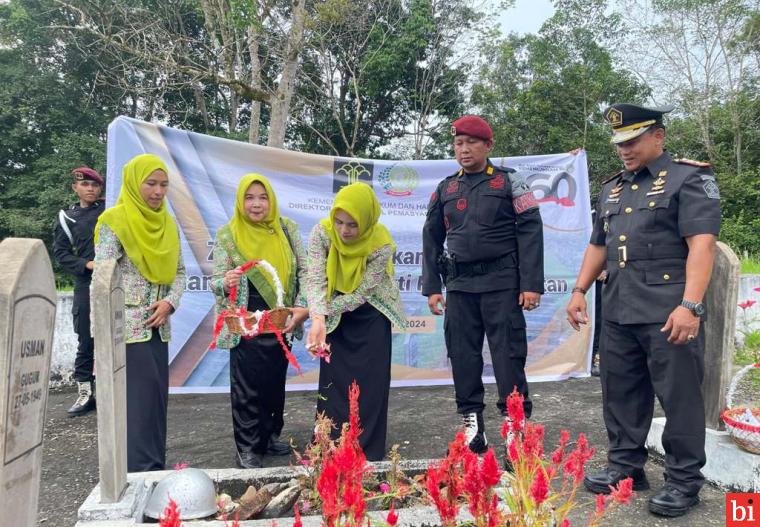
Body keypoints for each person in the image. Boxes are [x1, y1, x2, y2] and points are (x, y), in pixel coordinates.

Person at [565, 103, 720, 517]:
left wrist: (690, 305)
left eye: (632, 141)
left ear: (658, 136)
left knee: (679, 398)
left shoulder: (690, 179)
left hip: (668, 313)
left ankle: (684, 481)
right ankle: (626, 467)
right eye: (619, 143)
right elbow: (599, 244)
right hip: (618, 308)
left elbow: (701, 246)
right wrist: (580, 289)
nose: (624, 150)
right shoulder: (613, 187)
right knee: (621, 394)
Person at [421, 115, 544, 454]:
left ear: (488, 146)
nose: (464, 149)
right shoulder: (446, 188)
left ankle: (514, 428)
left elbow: (531, 231)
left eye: (471, 143)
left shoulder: (510, 183)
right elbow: (431, 237)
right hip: (460, 286)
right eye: (458, 143)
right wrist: (432, 287)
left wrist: (530, 284)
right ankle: (473, 426)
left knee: (508, 356)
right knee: (462, 356)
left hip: (502, 284)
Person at [93, 154, 186, 472]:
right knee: (136, 404)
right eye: (151, 183)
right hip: (127, 331)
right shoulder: (114, 221)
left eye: (164, 185)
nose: (158, 191)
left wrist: (170, 302)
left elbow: (181, 273)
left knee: (156, 402)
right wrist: (100, 335)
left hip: (159, 329)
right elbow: (103, 278)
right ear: (134, 183)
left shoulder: (168, 224)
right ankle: (136, 472)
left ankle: (153, 466)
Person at [211, 174, 309, 469]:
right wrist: (225, 280)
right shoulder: (228, 235)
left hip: (280, 320)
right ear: (241, 201)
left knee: (273, 384)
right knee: (247, 386)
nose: (256, 204)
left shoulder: (287, 229)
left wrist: (302, 306)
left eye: (263, 197)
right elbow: (215, 281)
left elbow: (305, 271)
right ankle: (248, 448)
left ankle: (268, 437)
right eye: (249, 197)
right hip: (246, 321)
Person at [305, 182, 405, 461]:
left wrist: (324, 312)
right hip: (333, 309)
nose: (344, 230)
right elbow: (314, 278)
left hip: (371, 311)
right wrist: (317, 318)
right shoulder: (321, 233)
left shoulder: (381, 242)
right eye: (339, 221)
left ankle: (367, 450)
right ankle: (330, 446)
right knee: (333, 380)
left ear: (367, 221)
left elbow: (361, 293)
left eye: (352, 224)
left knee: (369, 384)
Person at [53, 167, 105, 416]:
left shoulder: (110, 210)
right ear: (75, 187)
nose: (90, 189)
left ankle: (113, 389)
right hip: (86, 282)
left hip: (116, 282)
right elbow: (61, 253)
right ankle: (85, 393)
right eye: (85, 185)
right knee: (86, 339)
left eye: (95, 185)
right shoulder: (66, 217)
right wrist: (86, 264)